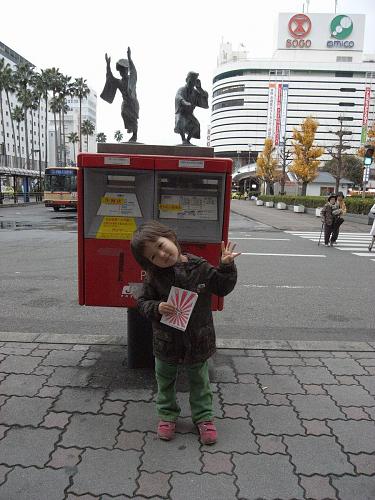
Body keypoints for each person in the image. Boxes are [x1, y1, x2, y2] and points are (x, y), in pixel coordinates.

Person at [131, 221, 239, 444]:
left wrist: (226, 266)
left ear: (170, 237)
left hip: (198, 339)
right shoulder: (153, 276)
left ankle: (204, 417)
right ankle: (167, 415)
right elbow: (142, 302)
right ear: (149, 263)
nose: (161, 254)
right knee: (165, 380)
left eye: (161, 245)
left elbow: (221, 287)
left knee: (200, 381)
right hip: (166, 341)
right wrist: (156, 307)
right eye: (153, 256)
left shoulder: (199, 266)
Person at [100, 47, 139, 142]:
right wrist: (108, 65)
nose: (122, 73)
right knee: (123, 113)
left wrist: (129, 58)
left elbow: (134, 71)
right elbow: (110, 78)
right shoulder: (119, 82)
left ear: (126, 71)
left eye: (124, 71)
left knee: (133, 119)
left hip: (133, 102)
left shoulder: (131, 78)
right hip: (125, 103)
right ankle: (129, 127)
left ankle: (135, 136)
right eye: (120, 71)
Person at [175, 72, 209, 145]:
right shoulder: (182, 89)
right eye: (191, 80)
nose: (192, 83)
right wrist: (184, 102)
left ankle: (188, 140)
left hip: (189, 113)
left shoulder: (195, 92)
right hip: (182, 112)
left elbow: (205, 95)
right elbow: (178, 97)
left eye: (194, 81)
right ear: (187, 80)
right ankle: (183, 139)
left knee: (196, 125)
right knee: (180, 122)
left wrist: (199, 88)